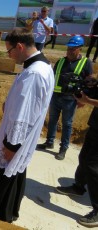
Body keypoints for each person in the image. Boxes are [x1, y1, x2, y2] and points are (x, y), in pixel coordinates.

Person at [0, 28, 54, 223]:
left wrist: (11, 146)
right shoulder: (42, 65)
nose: (9, 56)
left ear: (20, 46)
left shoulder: (34, 73)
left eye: (9, 51)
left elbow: (24, 114)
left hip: (15, 139)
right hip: (20, 137)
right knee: (13, 173)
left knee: (4, 176)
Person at [37, 36, 93, 160]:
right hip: (56, 96)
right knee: (52, 120)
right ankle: (49, 142)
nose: (70, 51)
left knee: (67, 124)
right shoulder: (61, 61)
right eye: (68, 48)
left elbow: (88, 82)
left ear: (80, 49)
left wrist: (84, 98)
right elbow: (52, 77)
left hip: (71, 99)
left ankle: (63, 148)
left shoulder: (86, 63)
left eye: (73, 49)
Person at [56, 89, 98, 228]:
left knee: (93, 165)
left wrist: (87, 101)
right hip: (95, 126)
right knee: (84, 157)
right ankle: (78, 187)